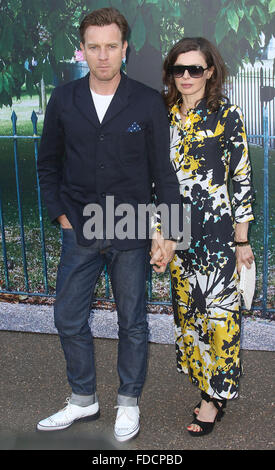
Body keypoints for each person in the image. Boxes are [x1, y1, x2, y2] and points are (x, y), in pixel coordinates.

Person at [36, 7, 181, 442]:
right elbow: (47, 166)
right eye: (94, 47)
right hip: (80, 228)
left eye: (111, 46)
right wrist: (62, 217)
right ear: (83, 50)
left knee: (132, 322)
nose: (102, 56)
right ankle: (83, 399)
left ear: (125, 49)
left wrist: (169, 232)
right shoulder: (63, 99)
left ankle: (128, 403)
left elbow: (164, 172)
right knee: (67, 316)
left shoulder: (147, 101)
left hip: (131, 227)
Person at [160, 37, 255, 436]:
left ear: (210, 71)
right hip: (178, 232)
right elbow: (155, 178)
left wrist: (242, 238)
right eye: (179, 69)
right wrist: (158, 231)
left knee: (220, 318)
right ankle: (205, 385)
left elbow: (242, 178)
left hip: (217, 234)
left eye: (194, 69)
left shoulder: (227, 115)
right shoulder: (163, 114)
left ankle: (215, 398)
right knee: (191, 316)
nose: (186, 77)